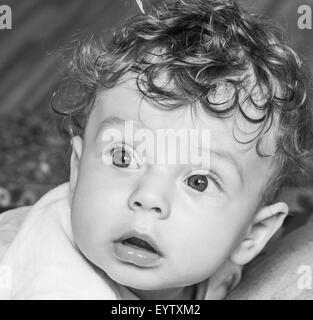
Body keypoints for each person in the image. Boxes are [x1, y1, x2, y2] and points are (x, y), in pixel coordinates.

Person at [0, 0, 312, 300]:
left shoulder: (213, 258)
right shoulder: (55, 282)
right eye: (123, 157)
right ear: (77, 170)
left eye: (198, 181)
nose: (148, 197)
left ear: (251, 234)